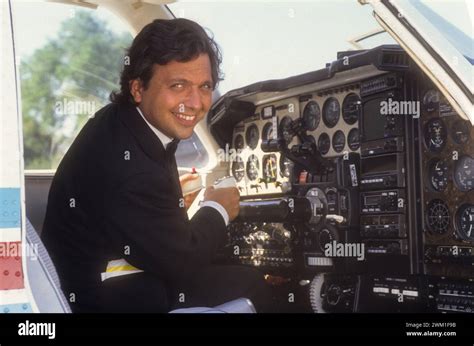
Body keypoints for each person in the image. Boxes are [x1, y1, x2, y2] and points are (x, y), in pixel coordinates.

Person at [41, 18, 270, 313]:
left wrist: (170, 207)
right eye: (178, 85)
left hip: (97, 279)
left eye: (205, 86)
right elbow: (184, 260)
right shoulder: (132, 167)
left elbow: (138, 211)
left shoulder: (117, 123)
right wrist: (218, 208)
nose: (196, 102)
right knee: (252, 283)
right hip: (108, 300)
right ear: (138, 88)